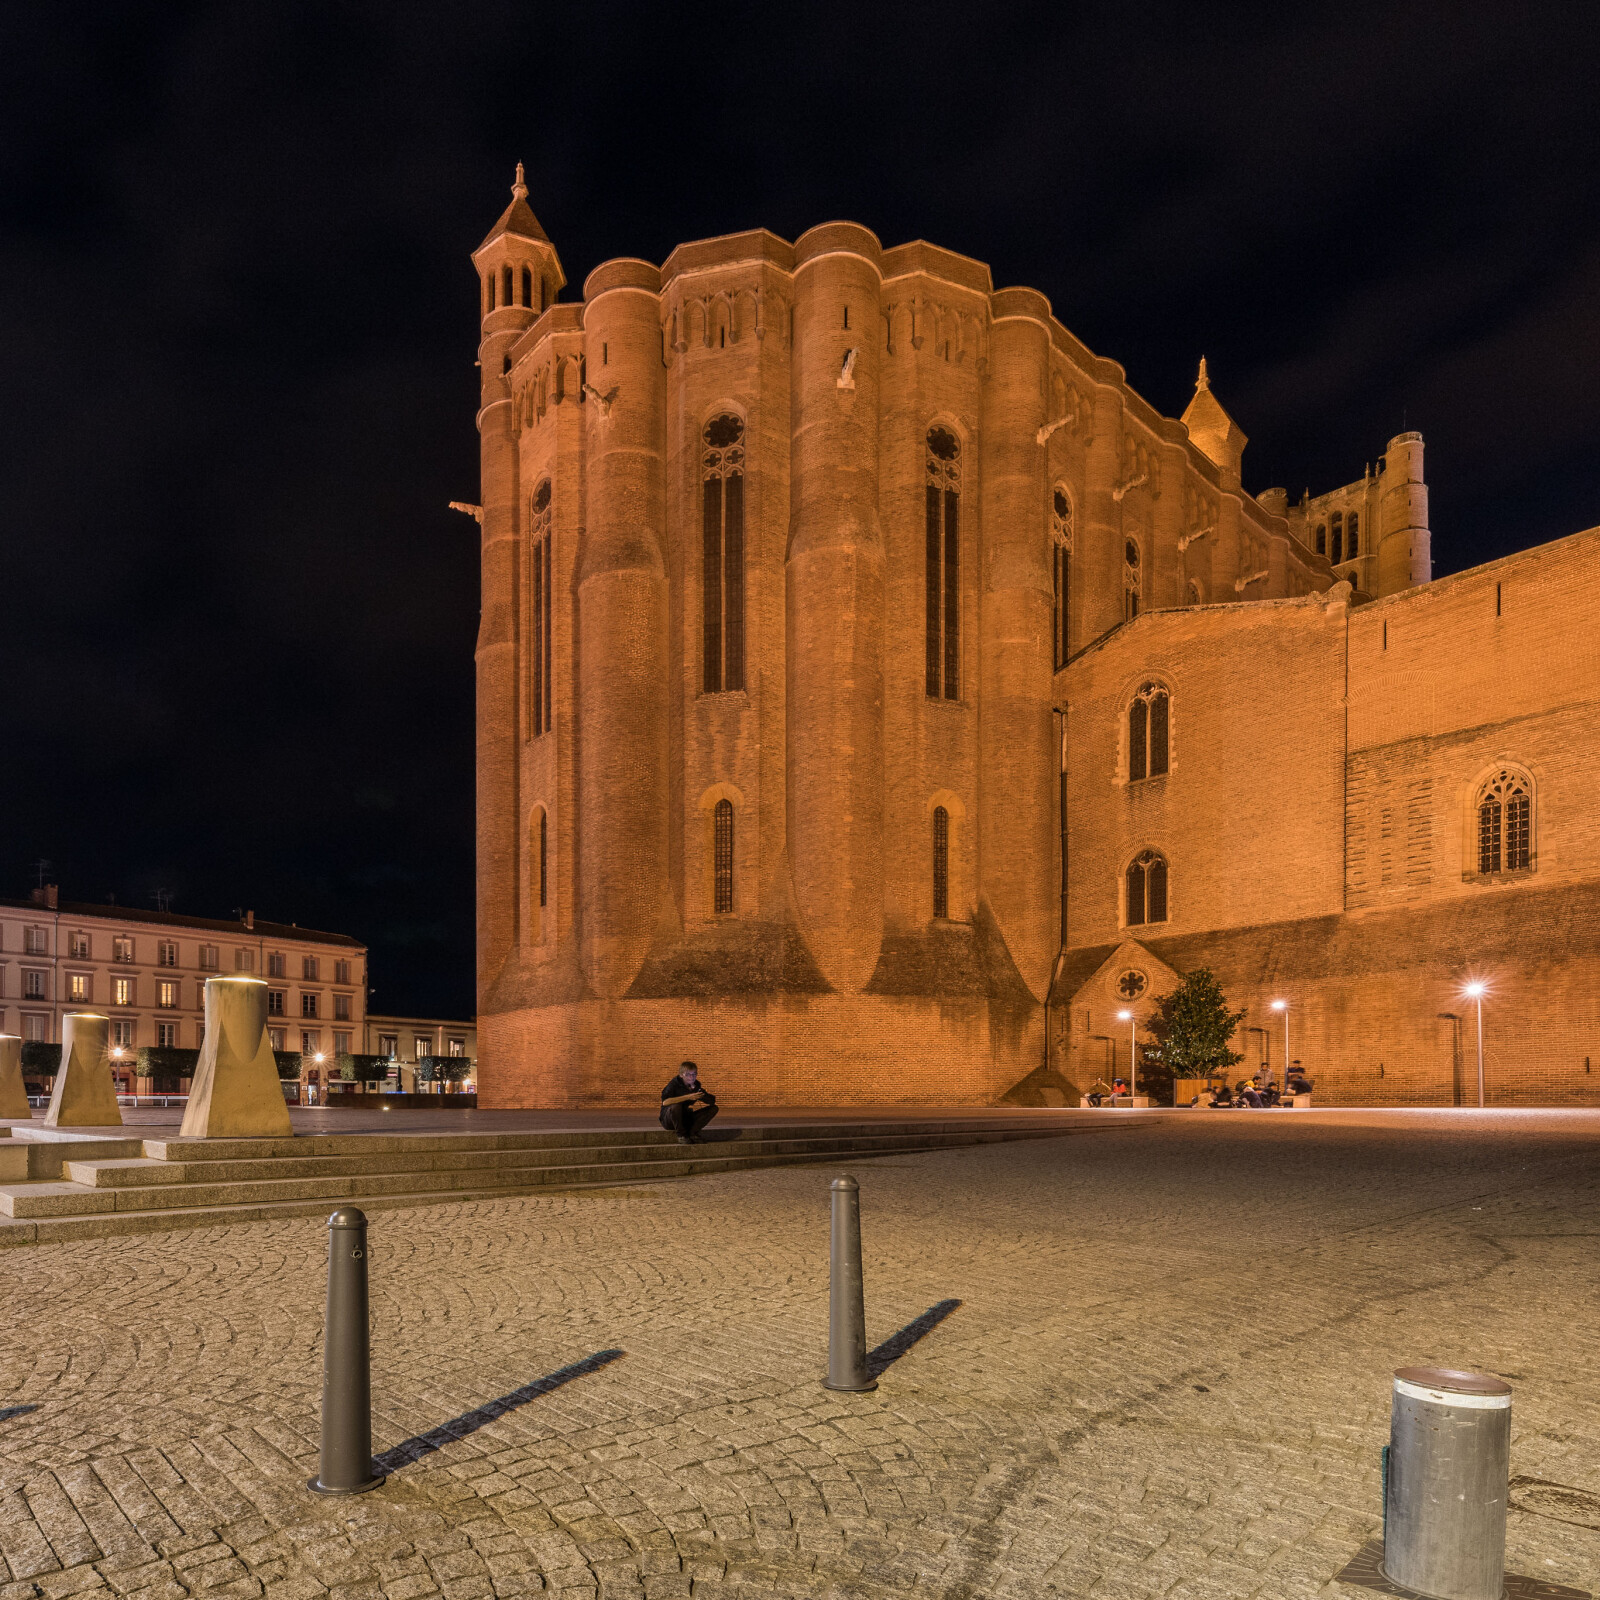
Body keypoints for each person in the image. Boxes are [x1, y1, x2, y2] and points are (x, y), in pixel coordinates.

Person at [660, 1061, 717, 1143]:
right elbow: (665, 1102)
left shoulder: (696, 1085)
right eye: (688, 1074)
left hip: (685, 1117)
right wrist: (688, 1096)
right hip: (669, 1119)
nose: (691, 1077)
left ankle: (692, 1133)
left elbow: (712, 1101)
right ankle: (681, 1135)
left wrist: (700, 1094)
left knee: (714, 1109)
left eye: (694, 1074)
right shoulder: (674, 1084)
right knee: (676, 1106)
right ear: (681, 1075)